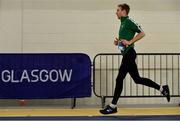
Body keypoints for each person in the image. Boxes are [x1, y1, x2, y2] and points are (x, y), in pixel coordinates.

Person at [100, 3, 170, 115]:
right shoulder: (122, 23)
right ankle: (162, 89)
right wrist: (118, 42)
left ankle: (113, 106)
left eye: (118, 10)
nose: (116, 12)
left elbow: (142, 33)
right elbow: (125, 42)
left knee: (119, 79)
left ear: (123, 11)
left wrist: (130, 42)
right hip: (127, 55)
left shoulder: (128, 21)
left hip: (129, 55)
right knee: (137, 79)